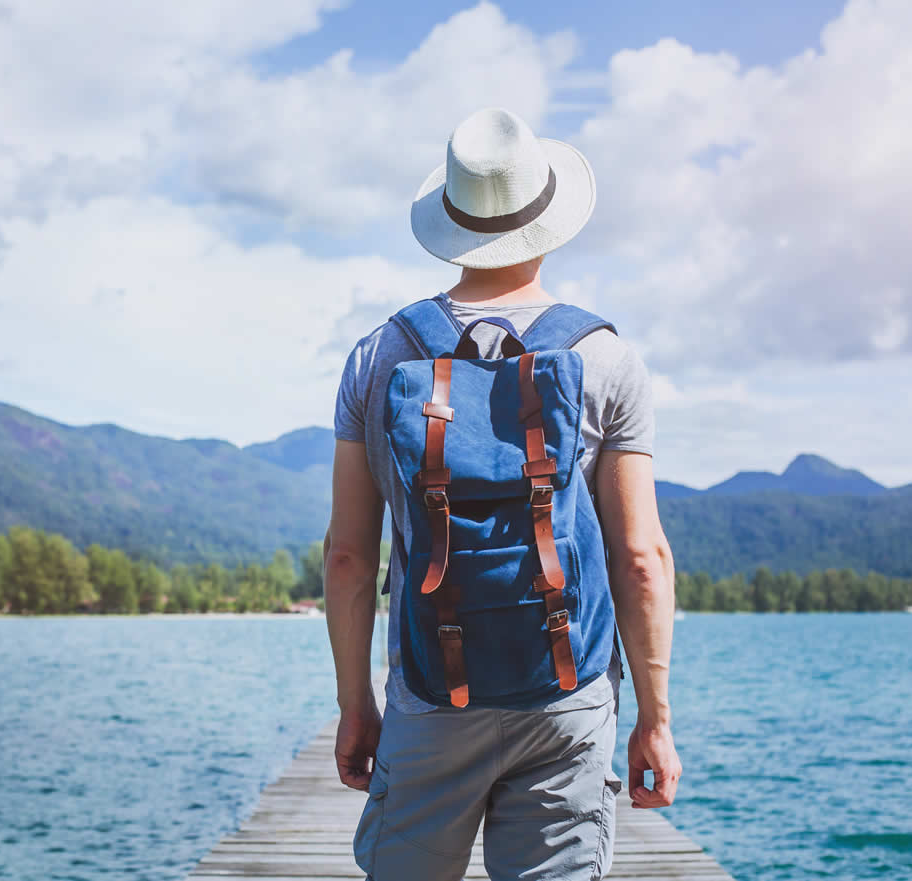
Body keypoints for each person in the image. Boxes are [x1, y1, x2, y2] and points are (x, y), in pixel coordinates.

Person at [324, 107, 681, 881]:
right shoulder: (606, 359)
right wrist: (654, 719)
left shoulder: (376, 356)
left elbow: (349, 556)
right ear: (549, 222)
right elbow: (641, 557)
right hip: (567, 694)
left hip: (428, 694)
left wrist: (357, 704)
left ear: (449, 219)